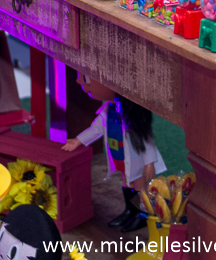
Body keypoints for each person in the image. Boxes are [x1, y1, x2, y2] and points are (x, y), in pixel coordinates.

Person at [62, 72, 165, 233]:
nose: (80, 82)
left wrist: (149, 163)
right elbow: (95, 130)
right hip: (120, 157)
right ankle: (130, 210)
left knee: (139, 185)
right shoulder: (108, 110)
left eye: (86, 78)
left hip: (135, 159)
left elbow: (146, 139)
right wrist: (78, 141)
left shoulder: (133, 114)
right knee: (127, 182)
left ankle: (142, 213)